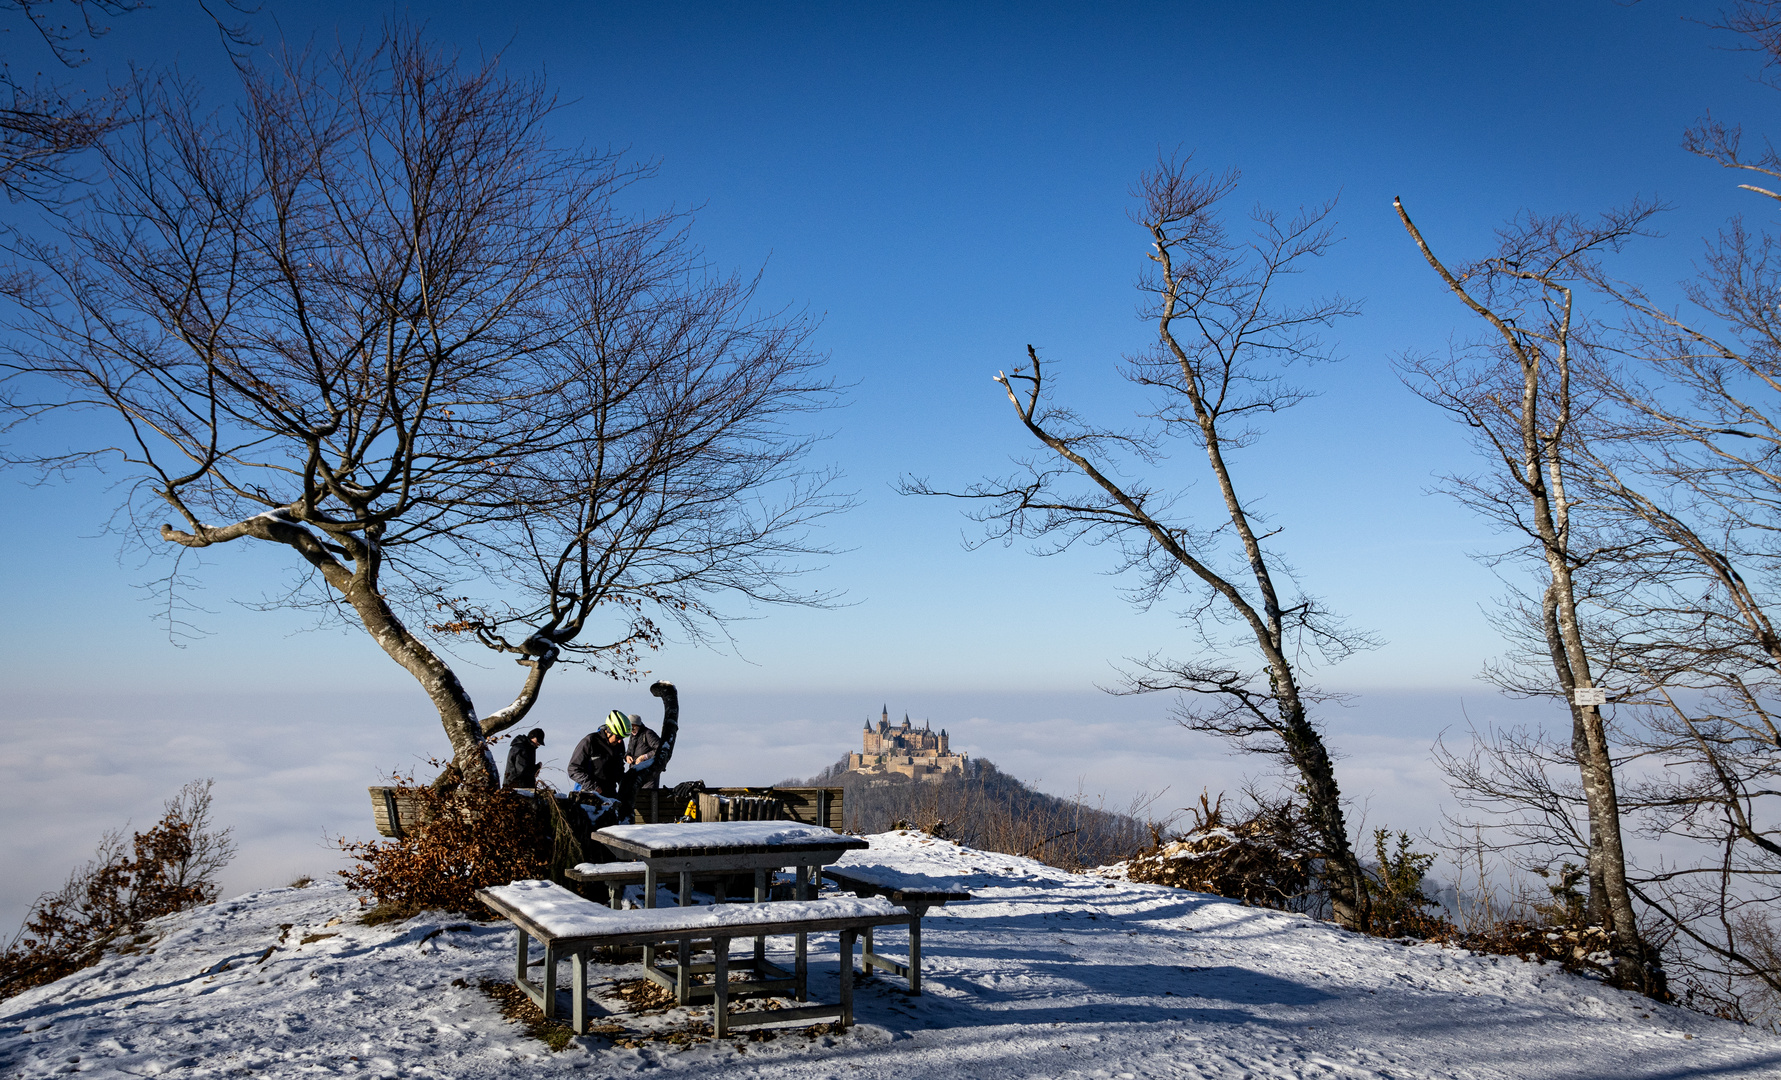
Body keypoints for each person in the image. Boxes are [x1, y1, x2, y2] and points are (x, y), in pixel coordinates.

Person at [567, 710, 632, 798]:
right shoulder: (590, 741)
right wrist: (593, 786)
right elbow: (573, 769)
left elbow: (619, 769)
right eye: (618, 736)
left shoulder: (619, 745)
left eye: (623, 738)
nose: (620, 740)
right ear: (609, 731)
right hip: (587, 795)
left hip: (610, 796)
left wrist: (624, 782)